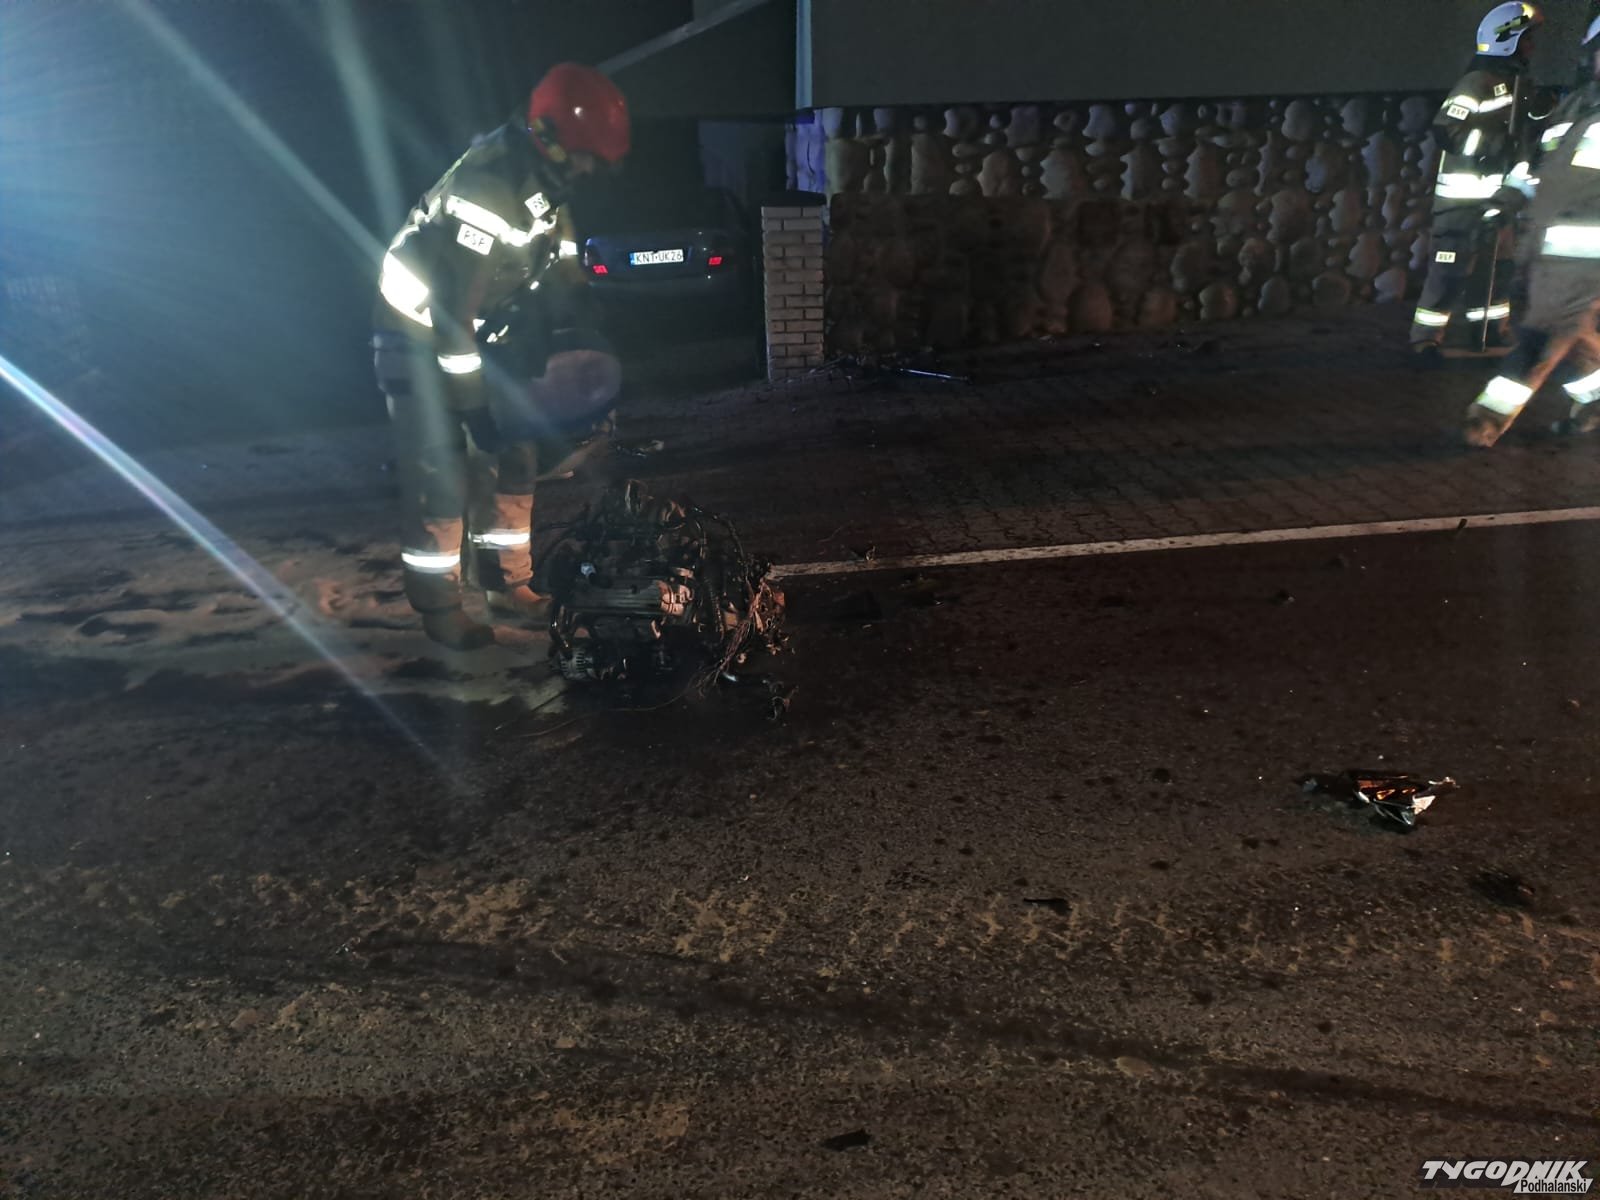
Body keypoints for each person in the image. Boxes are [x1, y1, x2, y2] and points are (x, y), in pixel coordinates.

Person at [371, 64, 629, 649]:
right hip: (417, 335)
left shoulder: (549, 187)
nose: (590, 170)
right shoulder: (484, 190)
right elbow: (452, 316)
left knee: (514, 456)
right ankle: (441, 610)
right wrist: (471, 406)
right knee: (442, 471)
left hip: (483, 335)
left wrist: (585, 319)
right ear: (551, 139)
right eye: (585, 157)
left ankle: (507, 586)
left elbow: (563, 267)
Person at [1461, 17, 1600, 448]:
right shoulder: (1576, 107)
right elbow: (1538, 166)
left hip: (1586, 259)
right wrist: (1504, 202)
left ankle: (1486, 419)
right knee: (1576, 338)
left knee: (1541, 336)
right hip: (1547, 251)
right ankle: (1596, 403)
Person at [1410, 2, 1544, 356]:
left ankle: (1490, 329)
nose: (1532, 46)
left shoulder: (1517, 83)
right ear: (1506, 40)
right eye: (1527, 39)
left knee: (1496, 269)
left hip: (1499, 198)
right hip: (1461, 201)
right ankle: (1426, 338)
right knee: (1449, 271)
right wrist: (1493, 145)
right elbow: (1447, 129)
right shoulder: (1476, 82)